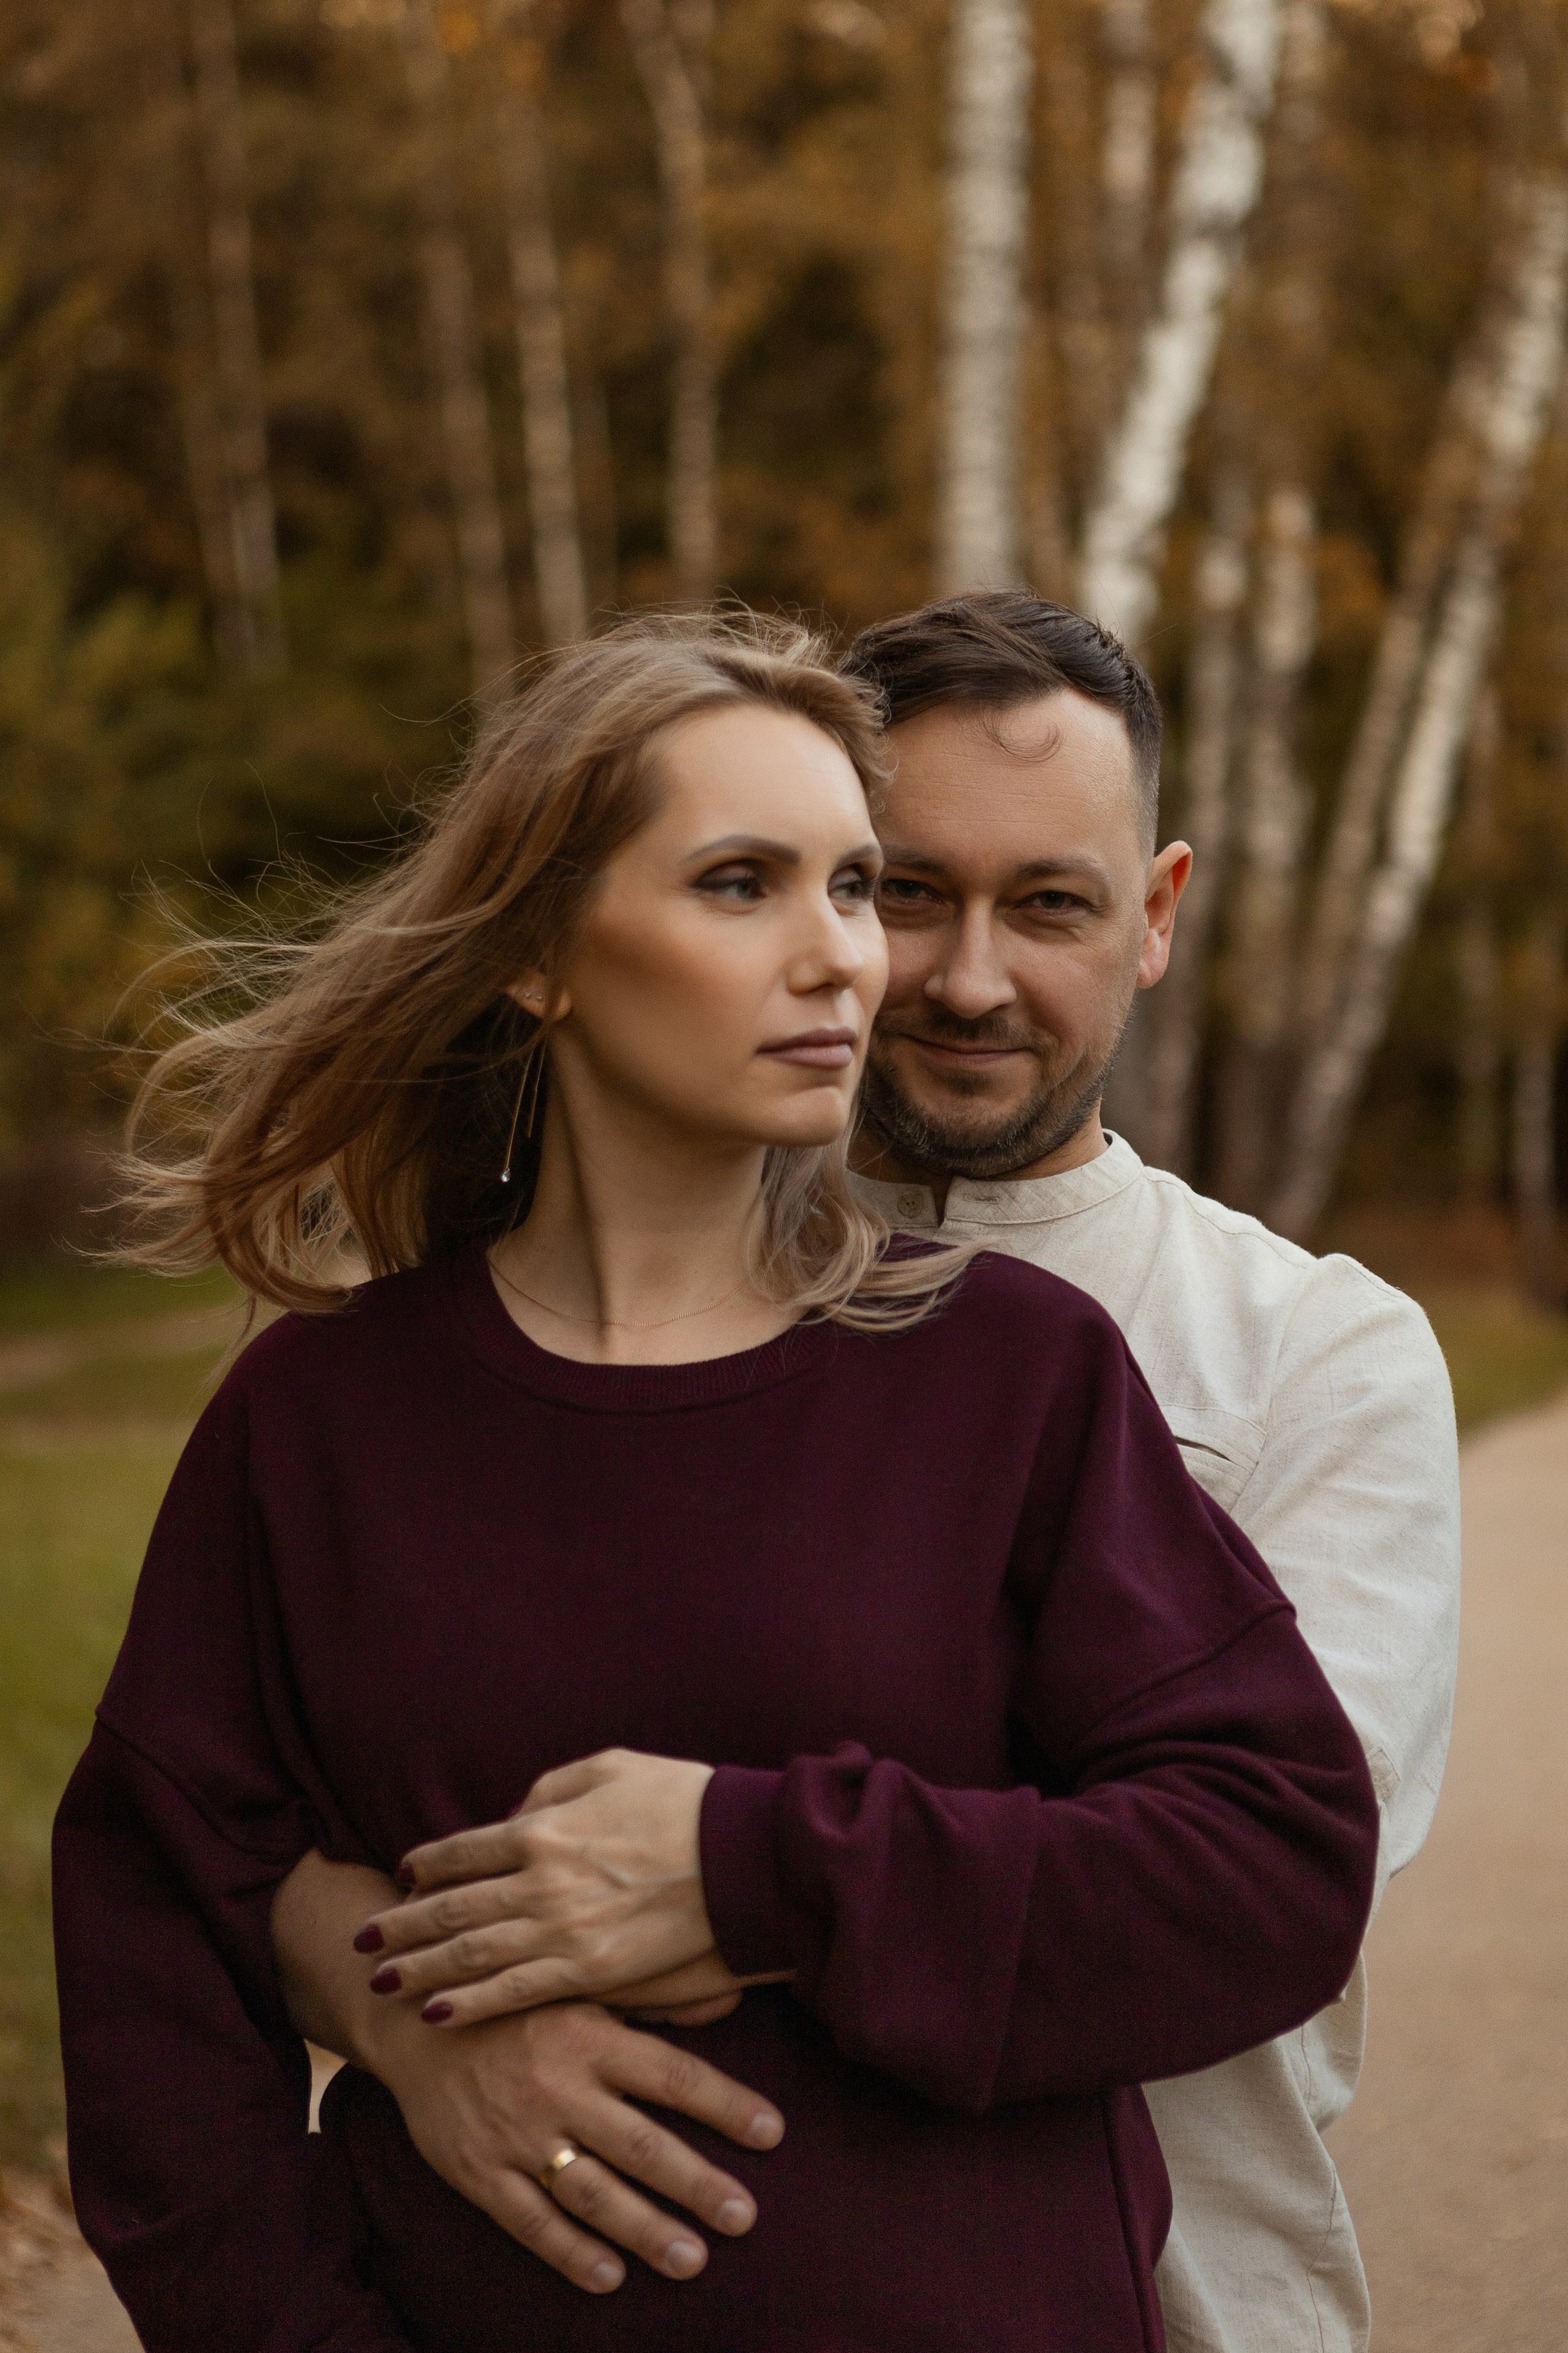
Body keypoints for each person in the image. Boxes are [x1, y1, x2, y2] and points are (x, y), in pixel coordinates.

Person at [52, 611, 1379, 2353]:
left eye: (850, 884)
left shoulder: (1011, 1375)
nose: (847, 959)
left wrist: (756, 1868)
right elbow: (160, 1947)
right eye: (744, 882)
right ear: (540, 950)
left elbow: (1271, 1867)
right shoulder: (318, 1418)